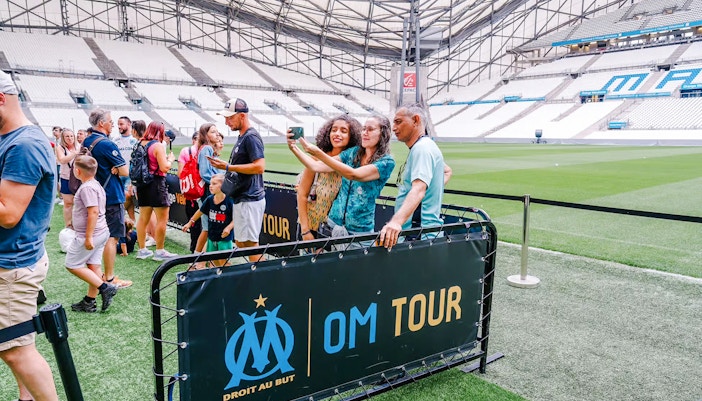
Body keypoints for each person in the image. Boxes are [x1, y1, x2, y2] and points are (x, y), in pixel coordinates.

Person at [0, 70, 59, 401]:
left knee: (14, 351)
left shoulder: (24, 143)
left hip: (12, 265)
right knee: (17, 342)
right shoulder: (11, 139)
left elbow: (8, 214)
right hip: (14, 258)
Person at [288, 114, 395, 249]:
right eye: (364, 129)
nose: (365, 133)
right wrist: (294, 148)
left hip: (359, 231)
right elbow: (317, 166)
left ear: (383, 134)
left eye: (371, 129)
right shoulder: (354, 152)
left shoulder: (386, 162)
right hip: (332, 225)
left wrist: (318, 153)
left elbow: (353, 174)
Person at [379, 104, 451, 249]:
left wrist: (396, 222)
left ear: (416, 120)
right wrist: (431, 192)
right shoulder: (424, 146)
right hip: (420, 234)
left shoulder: (422, 149)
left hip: (417, 236)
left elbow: (418, 189)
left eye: (398, 121)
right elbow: (447, 171)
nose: (393, 128)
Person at [211, 99, 266, 262]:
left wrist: (228, 167)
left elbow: (259, 167)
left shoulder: (251, 137)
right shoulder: (243, 136)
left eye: (230, 117)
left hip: (249, 198)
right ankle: (260, 279)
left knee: (250, 246)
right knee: (243, 244)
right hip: (243, 198)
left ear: (242, 116)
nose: (226, 122)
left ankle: (265, 281)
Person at [83, 108, 133, 288]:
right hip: (110, 195)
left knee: (98, 237)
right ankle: (110, 278)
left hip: (93, 194)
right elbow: (125, 170)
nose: (112, 124)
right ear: (102, 123)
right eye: (111, 122)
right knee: (112, 238)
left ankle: (98, 275)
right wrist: (116, 169)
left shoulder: (87, 140)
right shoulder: (107, 144)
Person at [65, 155, 119, 313]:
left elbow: (93, 211)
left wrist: (88, 237)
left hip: (91, 234)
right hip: (101, 232)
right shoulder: (94, 184)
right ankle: (90, 301)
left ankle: (105, 288)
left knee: (72, 264)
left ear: (77, 171)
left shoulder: (87, 187)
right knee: (93, 265)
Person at [295, 115, 361, 241]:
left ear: (352, 136)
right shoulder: (317, 158)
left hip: (336, 232)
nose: (337, 134)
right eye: (334, 130)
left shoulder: (354, 163)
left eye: (343, 131)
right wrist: (305, 231)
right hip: (311, 229)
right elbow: (302, 194)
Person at [133, 121, 178, 261]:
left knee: (143, 218)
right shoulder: (157, 145)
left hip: (142, 184)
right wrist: (170, 159)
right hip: (156, 183)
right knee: (162, 219)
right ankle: (160, 251)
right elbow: (164, 168)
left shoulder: (139, 144)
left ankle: (142, 250)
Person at [182, 174, 234, 267]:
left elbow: (236, 218)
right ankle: (215, 279)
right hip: (212, 237)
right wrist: (190, 222)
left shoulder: (229, 201)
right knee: (212, 260)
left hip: (224, 239)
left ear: (223, 185)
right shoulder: (210, 199)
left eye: (214, 184)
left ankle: (227, 278)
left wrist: (228, 228)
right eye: (210, 183)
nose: (210, 186)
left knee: (223, 261)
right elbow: (200, 211)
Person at [193, 123, 222, 253]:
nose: (216, 134)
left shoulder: (206, 148)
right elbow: (205, 173)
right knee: (207, 228)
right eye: (213, 132)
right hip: (207, 192)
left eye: (217, 131)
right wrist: (218, 183)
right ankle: (199, 257)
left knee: (207, 227)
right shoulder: (206, 149)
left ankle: (201, 257)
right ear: (206, 135)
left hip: (207, 191)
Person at [178, 132, 201, 252]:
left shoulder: (185, 151)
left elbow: (180, 174)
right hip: (203, 193)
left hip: (191, 194)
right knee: (206, 226)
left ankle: (194, 252)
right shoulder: (206, 150)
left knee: (193, 225)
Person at [112, 116, 138, 223]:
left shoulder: (134, 140)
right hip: (118, 174)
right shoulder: (115, 140)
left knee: (127, 196)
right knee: (128, 200)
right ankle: (132, 222)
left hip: (130, 174)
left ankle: (119, 218)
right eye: (118, 124)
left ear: (129, 124)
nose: (119, 126)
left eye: (121, 124)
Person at [55, 127, 79, 228]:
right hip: (66, 178)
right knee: (68, 203)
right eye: (67, 136)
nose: (70, 138)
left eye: (71, 136)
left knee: (79, 203)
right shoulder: (60, 148)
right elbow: (62, 160)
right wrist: (74, 153)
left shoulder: (79, 146)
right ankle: (68, 225)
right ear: (63, 138)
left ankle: (79, 224)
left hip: (79, 178)